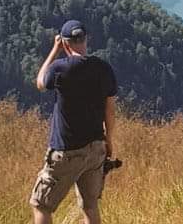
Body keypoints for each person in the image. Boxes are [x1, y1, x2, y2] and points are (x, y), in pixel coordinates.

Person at [28, 20, 117, 224]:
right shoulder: (103, 69)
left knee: (41, 205)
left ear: (66, 43)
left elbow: (41, 83)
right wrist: (109, 141)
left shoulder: (60, 68)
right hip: (96, 149)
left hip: (66, 151)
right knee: (90, 206)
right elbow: (110, 111)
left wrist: (54, 49)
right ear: (85, 40)